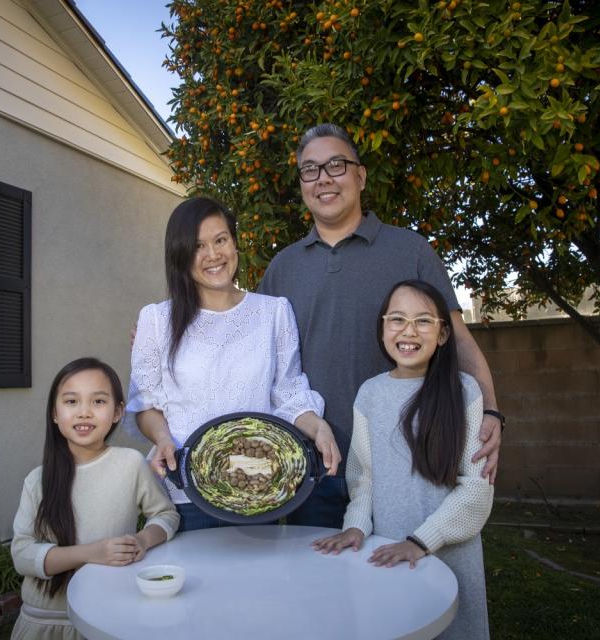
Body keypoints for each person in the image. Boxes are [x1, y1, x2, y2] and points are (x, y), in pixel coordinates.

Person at [257, 123, 503, 528]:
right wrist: (165, 339)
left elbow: (457, 340)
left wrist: (491, 411)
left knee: (400, 578)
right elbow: (251, 348)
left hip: (404, 460)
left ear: (360, 174)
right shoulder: (284, 267)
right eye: (310, 169)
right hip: (315, 465)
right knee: (322, 584)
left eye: (336, 165)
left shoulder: (410, 250)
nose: (323, 179)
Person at [127, 196, 341, 531]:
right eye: (198, 246)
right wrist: (163, 438)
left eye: (220, 240)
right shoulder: (156, 320)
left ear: (235, 244)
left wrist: (319, 428)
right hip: (186, 491)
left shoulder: (274, 312)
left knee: (257, 583)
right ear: (180, 255)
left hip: (259, 489)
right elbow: (145, 405)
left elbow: (288, 393)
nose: (213, 255)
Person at [313, 280, 493, 639]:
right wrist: (356, 525)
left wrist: (422, 541)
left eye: (423, 321)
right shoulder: (370, 393)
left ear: (443, 334)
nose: (408, 331)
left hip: (449, 554)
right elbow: (363, 478)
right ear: (383, 328)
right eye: (397, 319)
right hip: (388, 553)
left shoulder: (464, 391)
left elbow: (476, 489)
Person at [10, 357, 179, 640]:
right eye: (71, 402)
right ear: (54, 412)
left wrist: (142, 540)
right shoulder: (37, 479)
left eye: (98, 402)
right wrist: (92, 553)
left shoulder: (130, 464)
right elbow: (22, 555)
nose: (84, 413)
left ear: (117, 412)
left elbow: (166, 514)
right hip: (44, 622)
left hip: (107, 618)